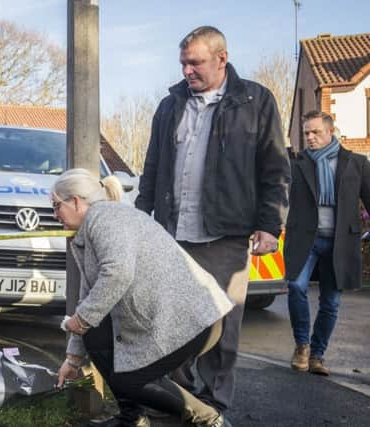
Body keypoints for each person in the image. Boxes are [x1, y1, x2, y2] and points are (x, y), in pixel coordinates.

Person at [134, 25, 291, 412]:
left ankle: (214, 402)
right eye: (184, 63)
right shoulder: (170, 106)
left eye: (195, 62)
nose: (187, 71)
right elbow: (152, 168)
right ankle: (181, 398)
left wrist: (271, 224)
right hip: (174, 233)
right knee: (173, 322)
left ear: (221, 58)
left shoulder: (256, 100)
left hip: (226, 234)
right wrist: (141, 219)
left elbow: (275, 169)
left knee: (221, 324)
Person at [53, 169, 235, 427]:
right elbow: (90, 298)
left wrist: (81, 320)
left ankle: (208, 418)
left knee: (131, 380)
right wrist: (73, 359)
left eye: (55, 206)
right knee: (96, 332)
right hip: (179, 320)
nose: (54, 214)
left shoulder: (105, 218)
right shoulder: (96, 224)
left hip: (194, 321)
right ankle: (133, 419)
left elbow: (117, 273)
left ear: (75, 201)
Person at [285, 111, 370, 375]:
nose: (309, 137)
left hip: (340, 242)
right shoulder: (297, 164)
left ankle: (317, 355)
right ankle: (302, 346)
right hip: (305, 240)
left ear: (330, 132)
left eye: (315, 132)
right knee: (296, 287)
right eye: (306, 133)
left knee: (330, 302)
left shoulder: (356, 163)